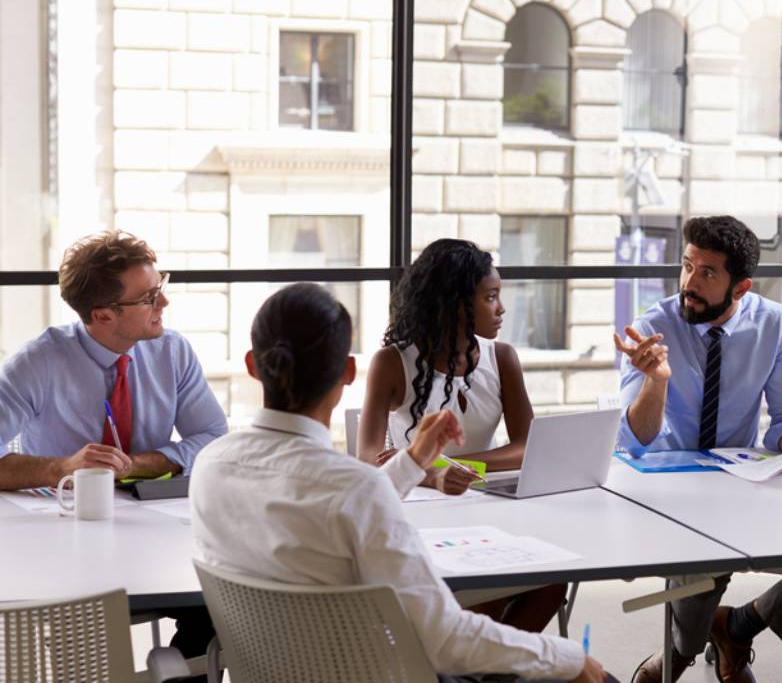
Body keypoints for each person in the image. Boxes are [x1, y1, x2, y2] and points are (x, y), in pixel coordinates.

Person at [191, 283, 612, 683]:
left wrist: (413, 463)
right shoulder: (353, 489)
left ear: (252, 364)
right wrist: (566, 657)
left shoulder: (211, 465)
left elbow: (340, 505)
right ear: (349, 372)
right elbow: (446, 641)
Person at [614, 215, 782, 683]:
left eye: (707, 273)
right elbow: (637, 437)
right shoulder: (652, 326)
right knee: (701, 568)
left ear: (741, 286)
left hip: (739, 481)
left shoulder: (773, 324)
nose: (690, 282)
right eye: (687, 266)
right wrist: (656, 381)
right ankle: (682, 652)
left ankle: (737, 624)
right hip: (665, 490)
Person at [0, 229, 227, 658]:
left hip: (156, 537)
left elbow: (215, 439)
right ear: (102, 315)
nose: (164, 303)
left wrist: (139, 463)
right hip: (66, 549)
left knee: (219, 605)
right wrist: (61, 468)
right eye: (148, 298)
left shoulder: (173, 352)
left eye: (160, 288)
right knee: (85, 642)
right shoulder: (38, 362)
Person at [360, 238, 564, 634]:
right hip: (419, 516)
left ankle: (490, 674)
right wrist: (432, 474)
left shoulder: (501, 358)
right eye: (490, 297)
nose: (502, 308)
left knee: (553, 583)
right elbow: (367, 462)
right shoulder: (391, 363)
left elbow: (528, 447)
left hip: (488, 511)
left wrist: (454, 465)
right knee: (484, 593)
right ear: (456, 303)